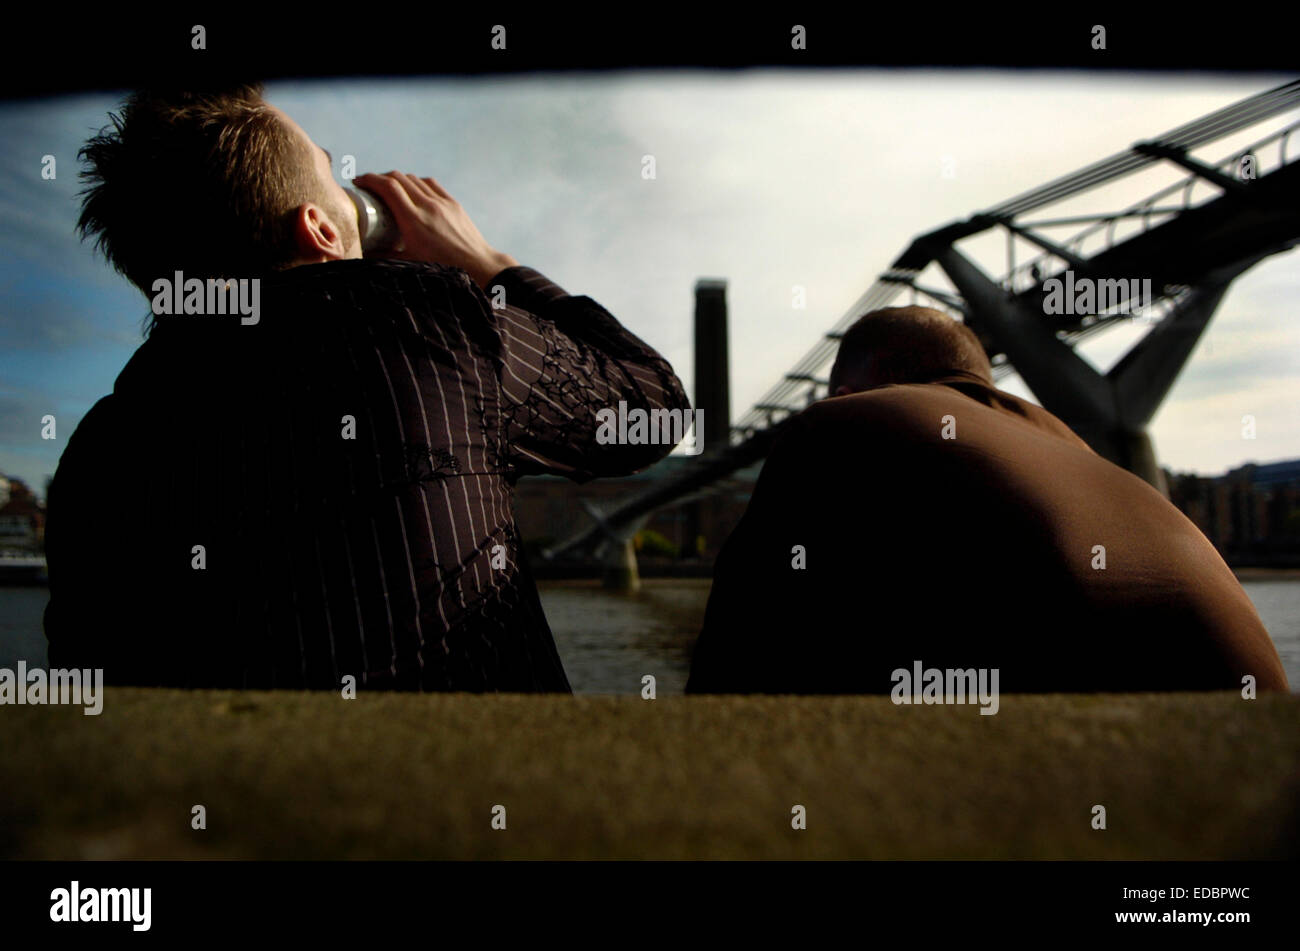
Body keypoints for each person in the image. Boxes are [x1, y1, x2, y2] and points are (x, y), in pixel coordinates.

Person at [45, 83, 690, 692]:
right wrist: (487, 261)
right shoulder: (435, 325)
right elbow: (654, 409)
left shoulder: (99, 449)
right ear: (321, 229)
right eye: (333, 178)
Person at [686, 306, 1288, 694]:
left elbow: (735, 661)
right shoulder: (1075, 446)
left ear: (848, 389)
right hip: (1254, 768)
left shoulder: (842, 419)